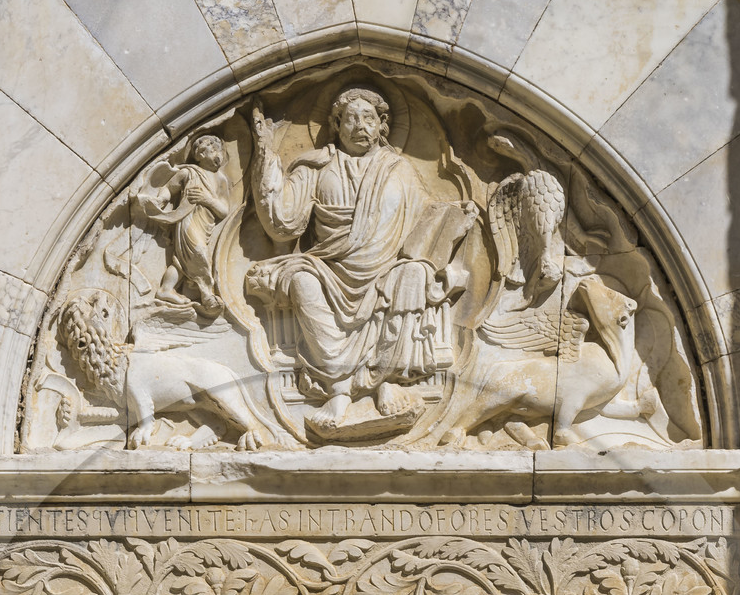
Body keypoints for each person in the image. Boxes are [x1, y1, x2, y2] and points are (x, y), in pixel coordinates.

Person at [245, 85, 478, 436]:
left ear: (382, 125)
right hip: (328, 267)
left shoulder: (398, 168)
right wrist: (264, 153)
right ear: (336, 125)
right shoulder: (317, 166)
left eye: (368, 118)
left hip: (387, 269)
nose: (360, 126)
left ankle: (386, 380)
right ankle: (339, 390)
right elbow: (282, 222)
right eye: (350, 119)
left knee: (413, 273)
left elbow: (424, 217)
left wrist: (454, 217)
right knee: (301, 281)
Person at [128, 132, 233, 316]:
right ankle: (206, 293)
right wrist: (161, 200)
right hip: (187, 219)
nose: (218, 155)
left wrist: (207, 199)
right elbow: (169, 188)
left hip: (206, 224)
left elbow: (224, 210)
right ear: (200, 154)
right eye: (213, 150)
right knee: (198, 252)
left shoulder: (221, 180)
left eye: (220, 151)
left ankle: (166, 289)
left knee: (182, 261)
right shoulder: (188, 172)